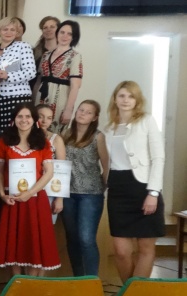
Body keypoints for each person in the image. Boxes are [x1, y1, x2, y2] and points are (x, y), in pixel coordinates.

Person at [103, 81, 165, 282]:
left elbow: (158, 158)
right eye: (122, 95)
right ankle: (129, 292)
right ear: (115, 99)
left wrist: (153, 193)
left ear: (137, 100)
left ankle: (134, 295)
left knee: (145, 248)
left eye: (131, 96)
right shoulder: (109, 128)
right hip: (118, 189)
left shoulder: (146, 121)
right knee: (121, 251)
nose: (126, 100)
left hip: (143, 188)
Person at [0, 103, 60, 275]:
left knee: (34, 241)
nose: (24, 120)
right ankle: (17, 282)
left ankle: (31, 285)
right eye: (20, 116)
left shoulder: (43, 143)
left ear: (34, 120)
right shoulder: (4, 141)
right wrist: (2, 194)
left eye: (28, 116)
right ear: (14, 119)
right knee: (13, 241)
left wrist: (29, 193)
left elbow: (49, 172)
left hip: (35, 200)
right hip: (12, 199)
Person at [61, 100, 108, 276]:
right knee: (72, 238)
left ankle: (91, 281)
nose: (83, 114)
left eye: (88, 112)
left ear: (94, 118)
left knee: (86, 238)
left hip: (91, 194)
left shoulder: (98, 137)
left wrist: (101, 188)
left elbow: (106, 166)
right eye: (81, 110)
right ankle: (78, 279)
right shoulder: (66, 134)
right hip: (67, 193)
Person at [0, 17, 36, 130]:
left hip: (17, 98)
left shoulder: (23, 46)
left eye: (12, 30)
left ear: (17, 32)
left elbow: (30, 72)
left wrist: (8, 76)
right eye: (5, 29)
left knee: (14, 132)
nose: (9, 32)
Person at [36, 20, 83, 131]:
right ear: (57, 33)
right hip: (41, 95)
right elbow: (39, 80)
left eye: (69, 34)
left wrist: (68, 109)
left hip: (60, 97)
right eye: (62, 32)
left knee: (55, 130)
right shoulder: (46, 55)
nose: (65, 36)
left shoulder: (75, 56)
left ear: (74, 37)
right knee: (37, 128)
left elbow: (75, 86)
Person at [37, 104, 66, 223]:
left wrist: (60, 198)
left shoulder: (56, 139)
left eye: (49, 118)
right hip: (27, 187)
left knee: (45, 226)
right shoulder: (24, 136)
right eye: (41, 116)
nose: (44, 121)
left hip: (49, 190)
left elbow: (61, 170)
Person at [30, 16, 60, 92]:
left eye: (52, 27)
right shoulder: (33, 53)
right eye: (45, 27)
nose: (48, 30)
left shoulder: (65, 53)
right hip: (35, 92)